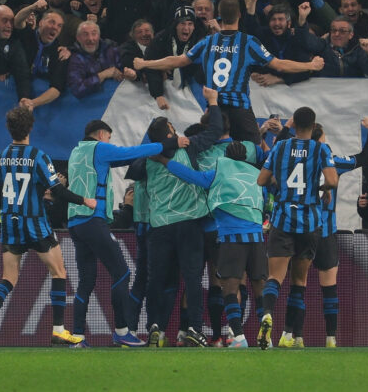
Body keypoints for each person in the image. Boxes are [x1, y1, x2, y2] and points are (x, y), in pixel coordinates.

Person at [134, 0, 324, 144]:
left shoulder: (207, 42)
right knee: (253, 155)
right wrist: (311, 65)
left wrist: (146, 63)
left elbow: (176, 61)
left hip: (214, 112)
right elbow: (280, 65)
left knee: (214, 156)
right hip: (239, 110)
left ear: (219, 15)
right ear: (240, 15)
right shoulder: (248, 43)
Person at [0, 107, 96, 348]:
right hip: (34, 221)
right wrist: (84, 200)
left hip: (10, 222)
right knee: (59, 272)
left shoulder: (0, 157)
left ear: (9, 128)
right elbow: (58, 190)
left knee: (8, 277)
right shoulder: (37, 156)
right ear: (30, 127)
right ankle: (58, 331)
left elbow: (0, 187)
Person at [67, 119, 188, 348]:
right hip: (93, 220)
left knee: (86, 280)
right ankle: (122, 331)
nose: (110, 142)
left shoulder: (76, 152)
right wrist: (167, 144)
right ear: (102, 134)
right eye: (110, 138)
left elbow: (125, 158)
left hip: (75, 222)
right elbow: (132, 152)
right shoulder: (99, 148)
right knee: (122, 273)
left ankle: (78, 337)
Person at [125, 86, 223, 347]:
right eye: (172, 128)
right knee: (192, 278)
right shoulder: (188, 148)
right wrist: (212, 102)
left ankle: (155, 327)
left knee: (158, 279)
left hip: (159, 228)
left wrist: (156, 150)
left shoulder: (146, 160)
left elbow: (131, 170)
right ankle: (193, 328)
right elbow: (214, 132)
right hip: (189, 224)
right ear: (170, 132)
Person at [149, 140, 266, 348]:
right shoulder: (256, 176)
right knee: (257, 288)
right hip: (256, 237)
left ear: (226, 157)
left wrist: (164, 160)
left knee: (224, 286)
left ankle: (235, 337)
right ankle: (265, 329)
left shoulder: (219, 173)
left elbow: (190, 176)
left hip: (228, 236)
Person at [273, 116, 368, 348]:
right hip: (326, 230)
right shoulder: (329, 159)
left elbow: (275, 152)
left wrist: (287, 127)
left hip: (302, 229)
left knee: (299, 283)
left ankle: (293, 335)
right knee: (329, 285)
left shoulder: (292, 160)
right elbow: (365, 158)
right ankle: (331, 338)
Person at [256, 106, 338, 350]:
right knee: (299, 280)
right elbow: (332, 180)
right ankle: (289, 337)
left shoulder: (280, 147)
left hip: (283, 219)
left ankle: (268, 313)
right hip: (310, 221)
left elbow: (261, 179)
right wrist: (319, 189)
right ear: (313, 126)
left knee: (274, 277)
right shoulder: (320, 148)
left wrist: (279, 182)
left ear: (294, 125)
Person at [145, 5, 205, 110]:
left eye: (190, 24)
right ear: (176, 25)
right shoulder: (162, 39)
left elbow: (202, 68)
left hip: (193, 88)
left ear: (194, 26)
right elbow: (150, 64)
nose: (186, 28)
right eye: (182, 23)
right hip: (165, 87)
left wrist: (171, 66)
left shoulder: (201, 40)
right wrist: (158, 95)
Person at [14, 4, 69, 109]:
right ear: (40, 23)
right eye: (52, 22)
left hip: (32, 102)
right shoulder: (27, 35)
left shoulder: (60, 53)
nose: (55, 27)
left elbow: (56, 89)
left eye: (59, 25)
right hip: (12, 89)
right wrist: (33, 6)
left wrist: (33, 103)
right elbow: (17, 21)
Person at [67, 20, 123, 98]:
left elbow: (126, 73)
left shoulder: (112, 50)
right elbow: (77, 89)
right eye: (85, 34)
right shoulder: (74, 58)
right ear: (78, 38)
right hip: (90, 106)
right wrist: (102, 75)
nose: (90, 38)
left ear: (99, 36)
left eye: (94, 34)